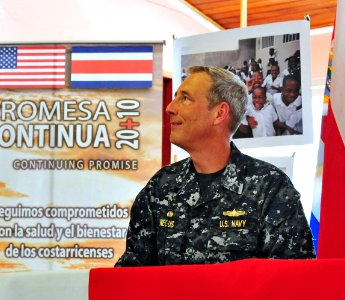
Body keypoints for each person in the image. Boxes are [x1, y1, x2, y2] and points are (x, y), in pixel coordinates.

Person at [115, 66, 315, 267]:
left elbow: (295, 281)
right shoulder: (160, 186)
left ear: (219, 113)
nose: (170, 108)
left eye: (185, 98)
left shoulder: (271, 188)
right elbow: (132, 276)